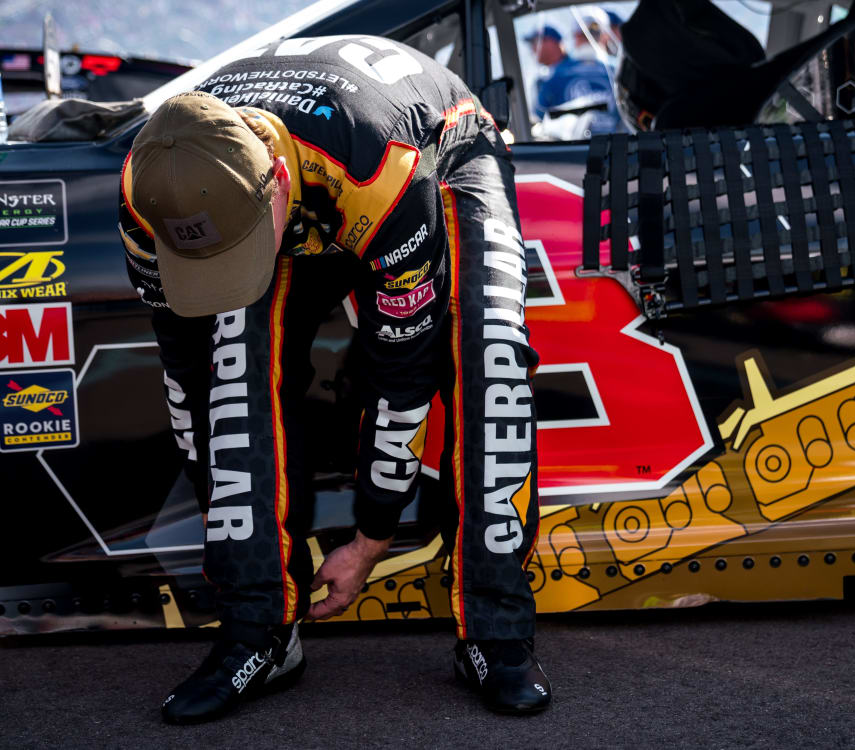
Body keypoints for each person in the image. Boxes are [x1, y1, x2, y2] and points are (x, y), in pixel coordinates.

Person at [118, 34, 550, 724]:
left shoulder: (383, 168)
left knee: (489, 349)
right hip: (290, 170)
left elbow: (401, 367)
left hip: (432, 150)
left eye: (239, 247)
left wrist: (372, 534)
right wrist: (224, 506)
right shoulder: (150, 191)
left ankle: (496, 632)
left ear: (276, 185)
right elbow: (185, 372)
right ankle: (258, 634)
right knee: (231, 372)